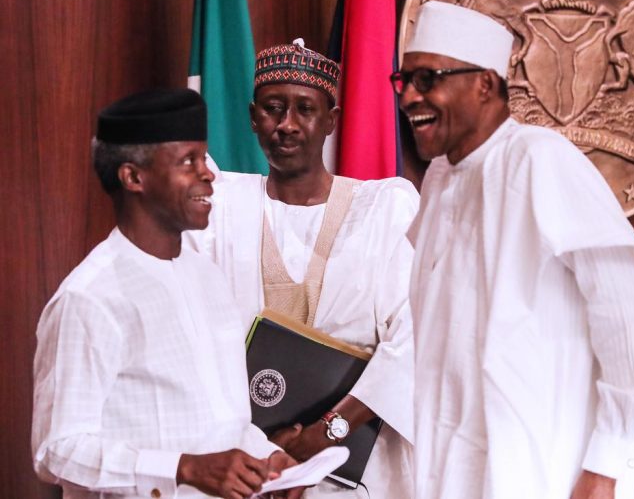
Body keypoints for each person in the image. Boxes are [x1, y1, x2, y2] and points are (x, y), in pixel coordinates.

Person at [394, 2, 634, 499]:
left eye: (428, 78)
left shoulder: (539, 158)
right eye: (404, 80)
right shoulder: (439, 179)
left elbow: (629, 306)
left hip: (543, 466)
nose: (409, 96)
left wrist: (607, 460)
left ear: (485, 84)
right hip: (447, 466)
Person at [32, 89, 301, 499]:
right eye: (188, 161)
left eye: (205, 157)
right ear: (133, 177)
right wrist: (181, 469)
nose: (208, 173)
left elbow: (220, 423)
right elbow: (58, 449)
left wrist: (265, 458)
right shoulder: (90, 298)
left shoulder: (208, 278)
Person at [185, 41, 417, 498]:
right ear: (253, 118)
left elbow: (414, 340)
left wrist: (324, 434)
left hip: (354, 468)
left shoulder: (380, 212)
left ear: (331, 120)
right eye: (273, 109)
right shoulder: (219, 210)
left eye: (305, 109)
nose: (287, 125)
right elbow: (194, 340)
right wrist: (262, 452)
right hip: (244, 467)